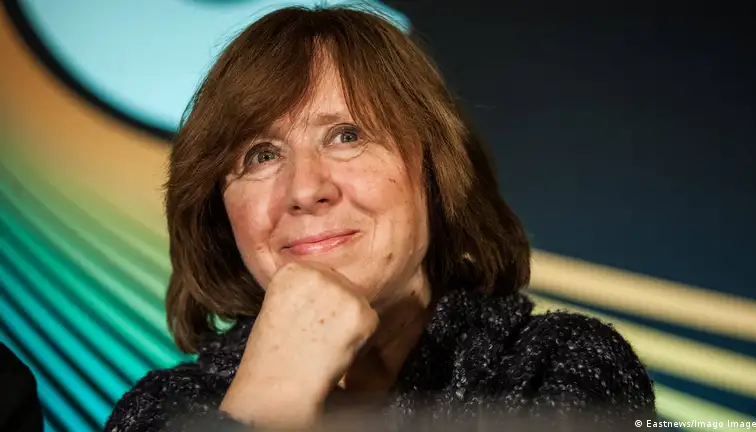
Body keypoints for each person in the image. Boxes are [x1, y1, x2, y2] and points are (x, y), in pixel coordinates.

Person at [105, 6, 655, 431]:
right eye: (262, 155)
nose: (304, 190)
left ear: (435, 169)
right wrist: (268, 404)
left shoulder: (556, 368)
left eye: (347, 135)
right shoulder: (159, 412)